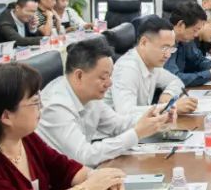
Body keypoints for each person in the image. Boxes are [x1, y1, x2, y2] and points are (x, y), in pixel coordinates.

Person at [37, 38, 171, 167]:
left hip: (82, 171)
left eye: (110, 76)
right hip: (58, 178)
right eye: (103, 77)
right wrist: (137, 133)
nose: (109, 83)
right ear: (79, 75)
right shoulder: (56, 106)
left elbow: (118, 125)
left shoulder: (90, 95)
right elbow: (85, 155)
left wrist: (156, 117)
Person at [107, 16, 198, 115]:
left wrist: (168, 93)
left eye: (171, 48)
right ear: (144, 43)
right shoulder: (127, 68)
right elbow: (125, 113)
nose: (168, 55)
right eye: (164, 48)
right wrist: (169, 107)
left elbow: (176, 81)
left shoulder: (152, 64)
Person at [165, 1, 211, 87]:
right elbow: (173, 78)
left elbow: (199, 61)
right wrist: (210, 74)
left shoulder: (186, 40)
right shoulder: (164, 41)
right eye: (195, 30)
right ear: (181, 25)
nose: (196, 35)